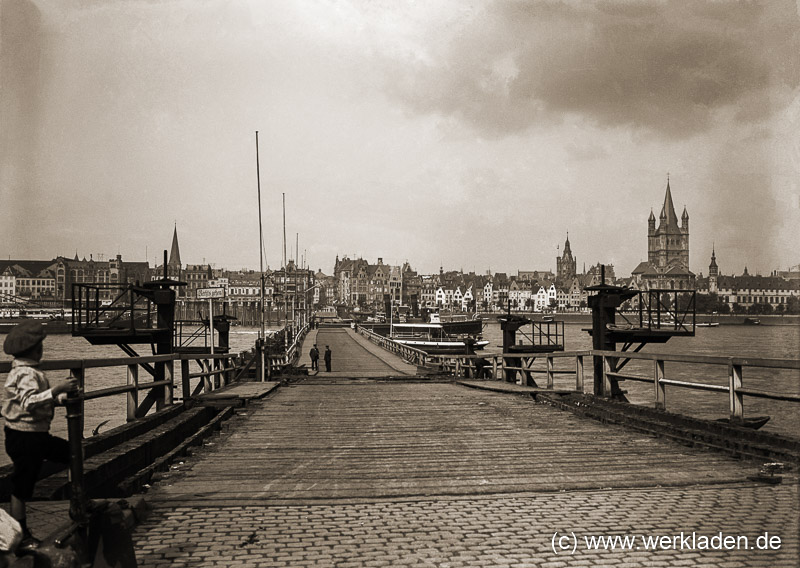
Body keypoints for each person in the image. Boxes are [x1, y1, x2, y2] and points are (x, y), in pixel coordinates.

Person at [2, 320, 78, 550]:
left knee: (73, 453)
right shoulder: (26, 373)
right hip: (24, 435)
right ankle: (21, 532)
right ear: (36, 349)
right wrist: (57, 390)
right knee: (23, 483)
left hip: (34, 434)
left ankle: (78, 501)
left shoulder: (28, 371)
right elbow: (28, 402)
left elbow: (38, 398)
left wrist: (59, 399)